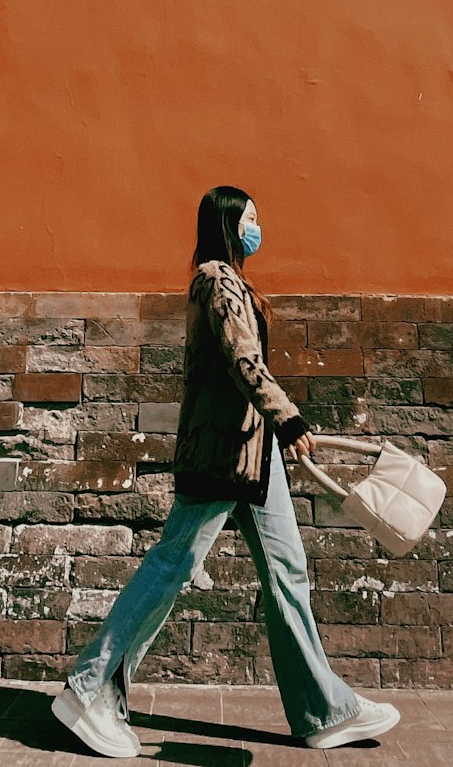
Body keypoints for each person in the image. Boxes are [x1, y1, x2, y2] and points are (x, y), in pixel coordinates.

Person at [52, 185, 401, 758]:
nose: (258, 230)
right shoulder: (217, 277)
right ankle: (89, 691)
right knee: (172, 566)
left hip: (253, 458)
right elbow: (244, 359)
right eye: (251, 220)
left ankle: (325, 711)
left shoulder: (229, 279)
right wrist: (287, 418)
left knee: (288, 572)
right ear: (227, 223)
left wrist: (273, 434)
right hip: (220, 453)